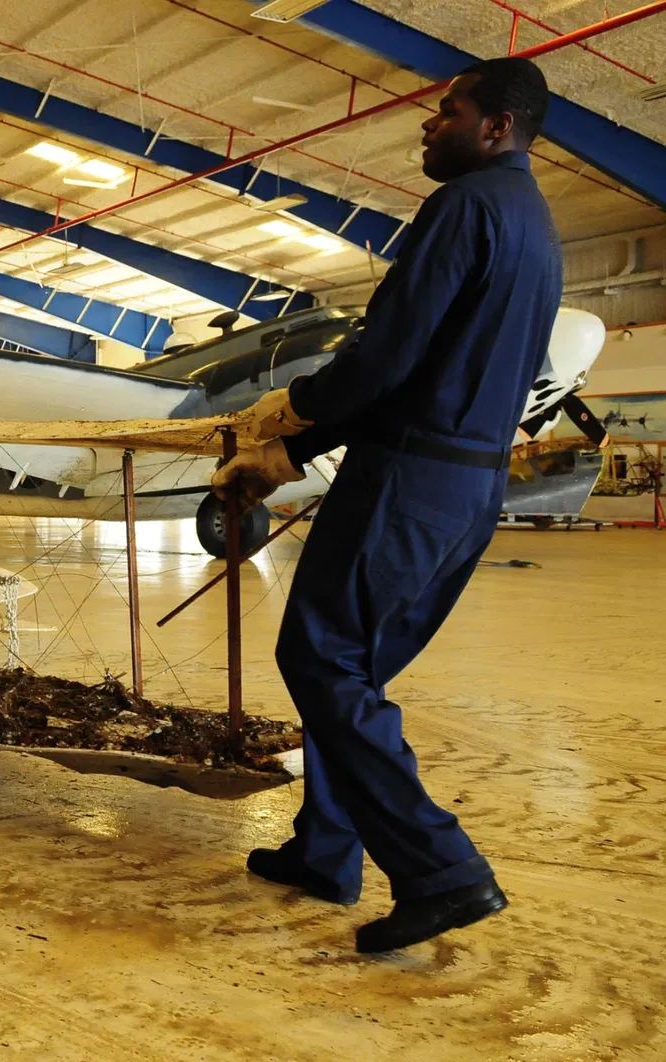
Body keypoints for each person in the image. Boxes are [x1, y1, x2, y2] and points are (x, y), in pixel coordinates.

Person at [211, 57, 560, 954]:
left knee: (322, 660)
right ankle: (327, 853)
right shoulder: (537, 228)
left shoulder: (465, 207)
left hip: (407, 484)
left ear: (495, 129)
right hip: (470, 487)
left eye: (447, 113)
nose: (427, 126)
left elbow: (385, 361)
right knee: (351, 674)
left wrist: (293, 412)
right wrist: (298, 449)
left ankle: (443, 872)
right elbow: (435, 375)